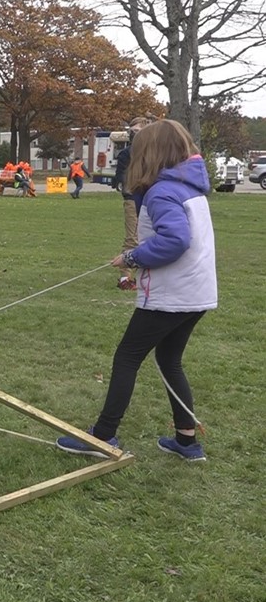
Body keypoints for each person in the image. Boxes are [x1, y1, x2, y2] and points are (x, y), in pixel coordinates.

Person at [56, 119, 215, 462]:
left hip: (172, 293)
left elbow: (175, 240)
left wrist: (133, 256)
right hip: (196, 293)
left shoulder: (163, 191)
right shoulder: (189, 187)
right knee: (169, 358)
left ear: (150, 152)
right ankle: (187, 442)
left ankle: (102, 436)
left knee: (127, 356)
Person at [112, 117, 151, 289]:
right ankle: (125, 279)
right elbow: (120, 178)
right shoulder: (126, 154)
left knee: (151, 237)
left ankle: (149, 275)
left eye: (138, 132)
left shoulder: (154, 153)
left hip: (152, 200)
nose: (135, 135)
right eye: (133, 132)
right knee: (132, 238)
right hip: (133, 200)